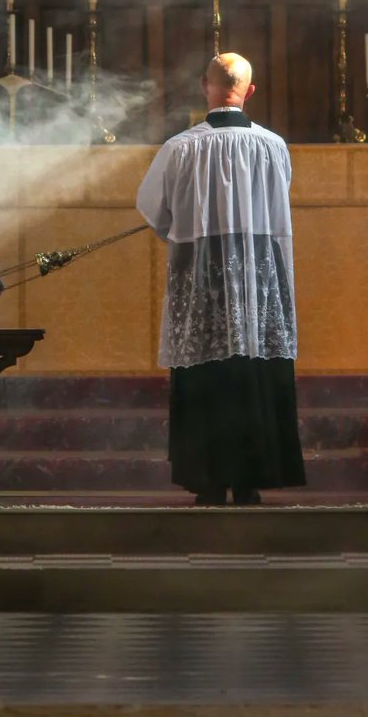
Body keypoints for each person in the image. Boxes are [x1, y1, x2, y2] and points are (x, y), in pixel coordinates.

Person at [137, 52, 306, 506]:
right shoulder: (273, 146)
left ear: (203, 87)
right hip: (258, 277)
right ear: (250, 92)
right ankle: (250, 480)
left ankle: (208, 480)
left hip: (203, 276)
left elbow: (154, 212)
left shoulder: (180, 147)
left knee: (208, 373)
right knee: (253, 367)